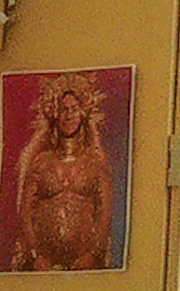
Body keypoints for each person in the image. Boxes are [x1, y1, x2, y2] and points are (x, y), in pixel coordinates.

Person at [10, 73, 114, 272]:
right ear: (54, 113)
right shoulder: (40, 163)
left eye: (74, 109)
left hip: (85, 266)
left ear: (83, 112)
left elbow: (105, 215)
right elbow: (25, 213)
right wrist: (36, 255)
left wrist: (92, 255)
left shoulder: (95, 163)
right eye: (63, 109)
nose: (69, 115)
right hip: (44, 267)